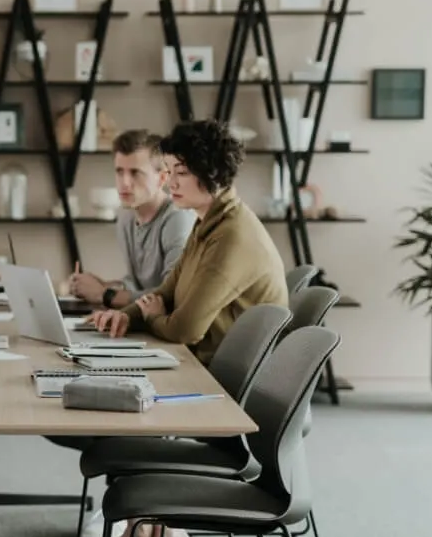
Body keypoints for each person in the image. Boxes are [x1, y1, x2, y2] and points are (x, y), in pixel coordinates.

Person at [93, 119, 288, 364]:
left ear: (212, 174)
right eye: (169, 170)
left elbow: (185, 330)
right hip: (204, 361)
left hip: (223, 376)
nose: (171, 182)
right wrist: (126, 316)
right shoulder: (209, 222)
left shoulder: (232, 236)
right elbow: (166, 292)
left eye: (182, 172)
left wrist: (153, 317)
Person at [67, 129, 195, 308]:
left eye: (135, 173)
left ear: (162, 178)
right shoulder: (126, 218)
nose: (124, 183)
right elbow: (140, 285)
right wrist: (102, 285)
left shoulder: (178, 219)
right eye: (119, 172)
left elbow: (171, 295)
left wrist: (103, 294)